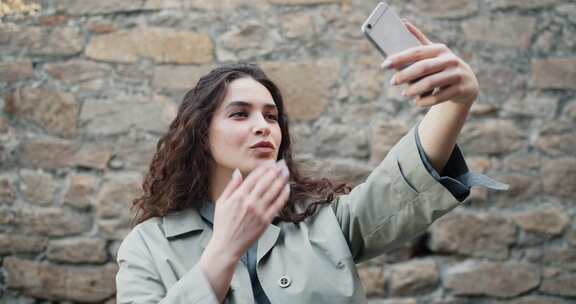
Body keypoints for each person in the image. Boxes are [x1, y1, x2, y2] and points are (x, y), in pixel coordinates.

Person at [115, 21, 507, 303]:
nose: (262, 127)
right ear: (200, 134)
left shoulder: (324, 222)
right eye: (240, 114)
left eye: (271, 116)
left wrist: (456, 102)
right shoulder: (146, 248)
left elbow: (399, 183)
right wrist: (222, 252)